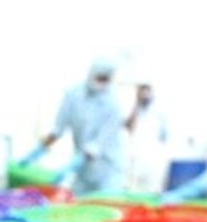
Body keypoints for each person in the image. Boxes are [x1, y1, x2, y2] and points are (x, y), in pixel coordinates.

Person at [19, 57, 125, 195]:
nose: (101, 83)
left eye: (106, 79)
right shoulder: (73, 94)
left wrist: (69, 167)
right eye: (99, 78)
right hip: (83, 171)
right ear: (91, 73)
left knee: (107, 203)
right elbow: (57, 129)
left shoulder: (113, 104)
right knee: (77, 203)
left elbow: (98, 144)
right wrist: (37, 150)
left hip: (107, 170)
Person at [124, 78, 169, 193]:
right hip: (135, 157)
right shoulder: (134, 109)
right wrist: (136, 105)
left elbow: (164, 136)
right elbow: (128, 127)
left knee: (153, 188)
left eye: (147, 91)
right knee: (133, 188)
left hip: (153, 159)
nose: (144, 94)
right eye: (141, 91)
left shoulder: (160, 111)